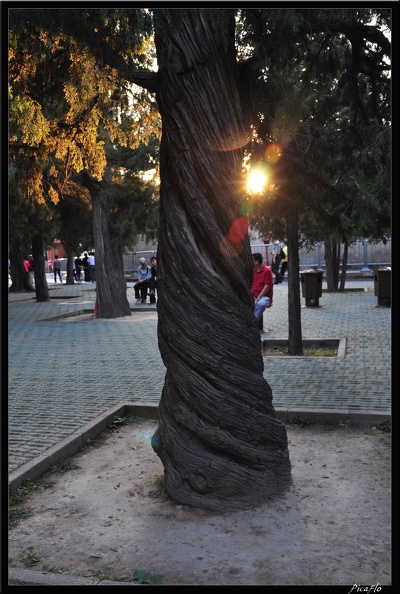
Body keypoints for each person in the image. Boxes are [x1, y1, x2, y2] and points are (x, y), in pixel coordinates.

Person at [252, 252, 273, 321]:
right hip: (254, 295)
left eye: (252, 260)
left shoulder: (267, 270)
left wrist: (258, 298)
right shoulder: (253, 270)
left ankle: (253, 323)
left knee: (261, 304)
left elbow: (267, 287)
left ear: (256, 262)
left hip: (265, 296)